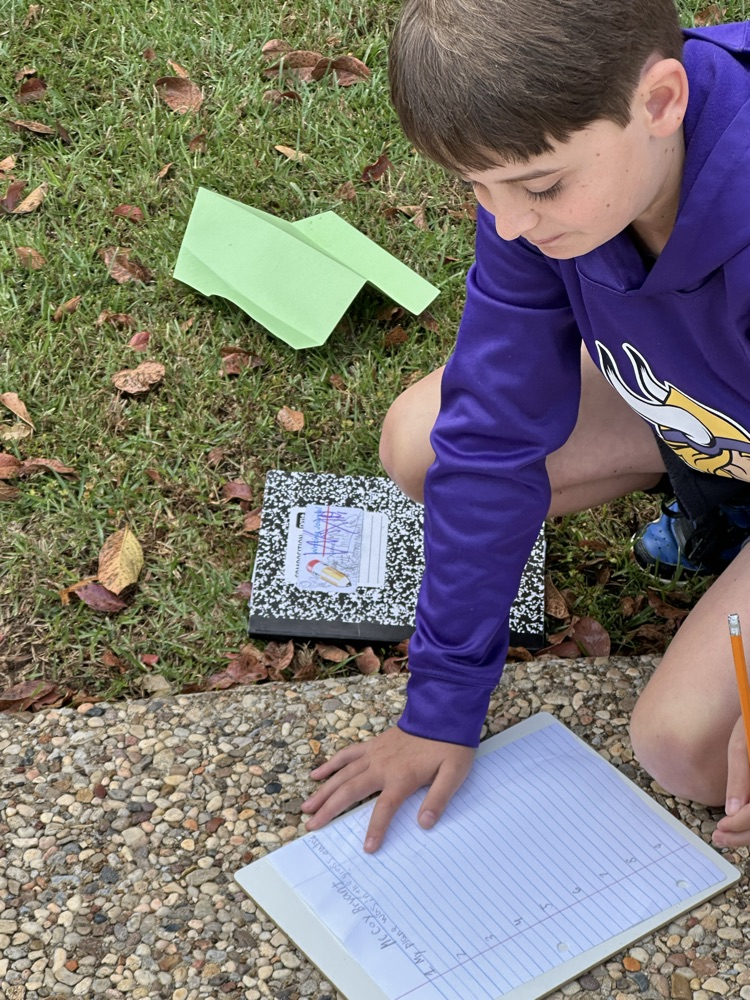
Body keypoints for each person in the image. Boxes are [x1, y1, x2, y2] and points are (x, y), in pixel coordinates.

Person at [301, 0, 750, 853]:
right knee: (424, 445)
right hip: (707, 397)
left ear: (661, 101)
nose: (508, 225)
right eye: (477, 188)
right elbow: (490, 435)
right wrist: (441, 710)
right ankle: (709, 488)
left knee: (687, 754)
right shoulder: (546, 169)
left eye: (540, 187)